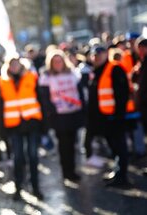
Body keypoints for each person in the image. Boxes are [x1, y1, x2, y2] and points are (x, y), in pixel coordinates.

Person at [0, 56, 44, 200]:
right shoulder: (3, 81)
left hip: (31, 123)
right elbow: (0, 107)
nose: (15, 66)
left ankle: (35, 187)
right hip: (14, 126)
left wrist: (44, 125)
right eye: (12, 64)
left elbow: (41, 99)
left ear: (21, 64)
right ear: (8, 66)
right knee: (18, 158)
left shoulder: (32, 77)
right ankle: (18, 188)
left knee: (33, 157)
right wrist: (1, 130)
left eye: (17, 63)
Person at [87, 46, 131, 187]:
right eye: (95, 55)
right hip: (104, 119)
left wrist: (119, 116)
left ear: (106, 54)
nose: (97, 57)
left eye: (100, 54)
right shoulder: (96, 72)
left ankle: (122, 176)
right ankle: (117, 173)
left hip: (114, 118)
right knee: (114, 148)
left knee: (120, 147)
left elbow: (122, 94)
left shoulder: (115, 69)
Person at [38, 49, 84, 182]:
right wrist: (52, 112)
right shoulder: (46, 77)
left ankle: (73, 170)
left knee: (73, 143)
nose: (58, 64)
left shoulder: (72, 74)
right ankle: (66, 172)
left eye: (60, 61)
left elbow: (80, 92)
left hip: (73, 113)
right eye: (55, 62)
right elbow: (45, 99)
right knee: (64, 145)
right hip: (59, 117)